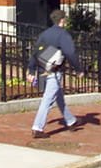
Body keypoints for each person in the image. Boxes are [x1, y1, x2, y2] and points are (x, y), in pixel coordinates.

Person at [29, 8, 80, 137]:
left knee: (58, 97)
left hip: (41, 71)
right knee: (48, 99)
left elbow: (35, 52)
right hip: (53, 72)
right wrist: (78, 69)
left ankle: (71, 121)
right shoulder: (63, 35)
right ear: (62, 20)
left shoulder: (45, 34)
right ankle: (38, 128)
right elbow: (70, 53)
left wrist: (31, 69)